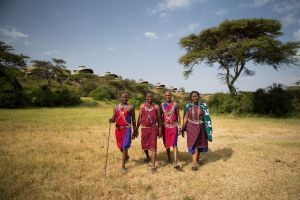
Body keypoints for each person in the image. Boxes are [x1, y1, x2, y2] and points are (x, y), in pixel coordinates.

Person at [182, 91, 212, 171]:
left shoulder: (203, 106)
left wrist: (208, 129)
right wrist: (183, 127)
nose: (194, 98)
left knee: (199, 144)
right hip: (191, 127)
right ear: (190, 97)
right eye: (193, 96)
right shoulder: (188, 106)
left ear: (198, 97)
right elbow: (185, 117)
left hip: (201, 127)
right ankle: (194, 164)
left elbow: (207, 117)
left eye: (196, 96)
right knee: (194, 144)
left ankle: (197, 160)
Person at [133, 92, 162, 173]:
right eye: (148, 97)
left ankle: (153, 166)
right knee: (144, 145)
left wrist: (160, 129)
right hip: (144, 128)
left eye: (151, 97)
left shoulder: (156, 107)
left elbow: (159, 119)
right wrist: (135, 130)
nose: (150, 98)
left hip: (153, 129)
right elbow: (139, 118)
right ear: (146, 97)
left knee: (153, 146)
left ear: (153, 98)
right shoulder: (142, 106)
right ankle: (147, 156)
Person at [109, 92, 136, 174]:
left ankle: (123, 167)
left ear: (128, 98)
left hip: (127, 129)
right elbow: (114, 119)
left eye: (126, 97)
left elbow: (133, 120)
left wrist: (135, 131)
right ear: (120, 98)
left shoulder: (130, 107)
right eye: (123, 97)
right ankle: (127, 156)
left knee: (124, 147)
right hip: (118, 129)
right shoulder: (116, 107)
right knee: (120, 146)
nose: (124, 98)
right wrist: (111, 120)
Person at [160, 90, 181, 169]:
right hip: (165, 127)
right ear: (164, 96)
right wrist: (160, 128)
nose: (168, 96)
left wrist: (179, 126)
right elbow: (160, 117)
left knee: (174, 143)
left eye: (169, 95)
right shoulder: (162, 105)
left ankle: (175, 162)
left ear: (171, 95)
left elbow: (178, 116)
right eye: (166, 95)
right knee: (167, 143)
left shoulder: (175, 104)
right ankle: (169, 158)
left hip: (173, 127)